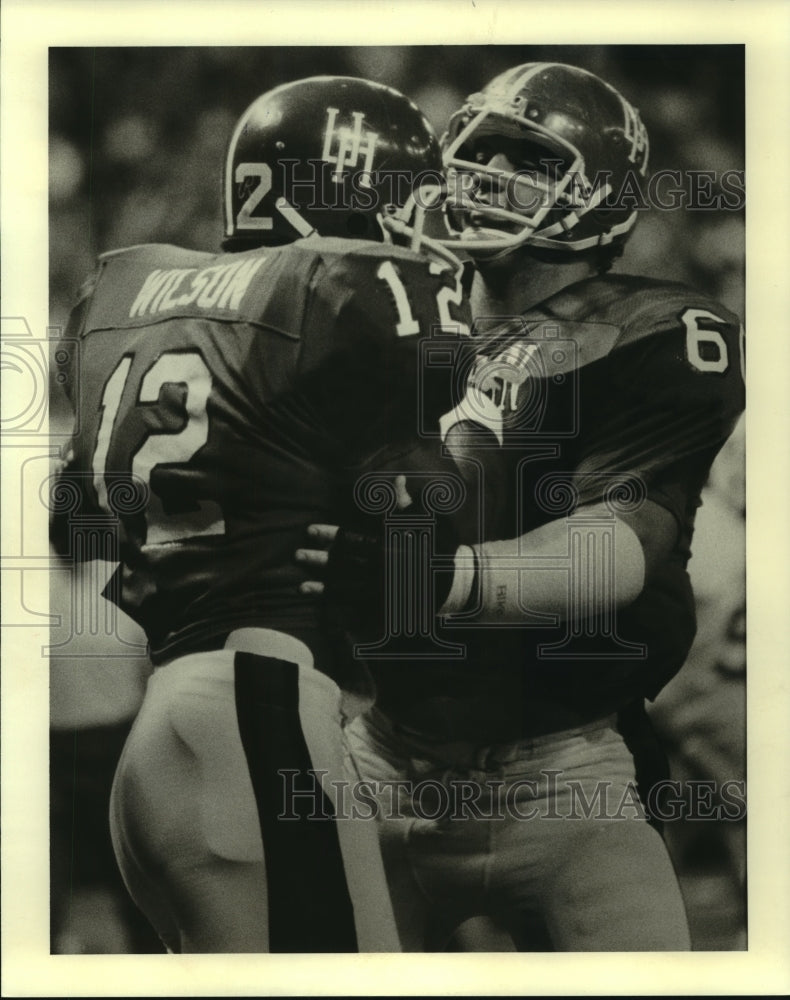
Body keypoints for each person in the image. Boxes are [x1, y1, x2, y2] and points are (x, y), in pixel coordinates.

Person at [298, 63, 745, 951]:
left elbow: (621, 544)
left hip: (564, 770)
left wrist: (451, 577)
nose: (480, 175)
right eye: (476, 152)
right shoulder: (390, 317)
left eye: (524, 160)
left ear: (599, 198)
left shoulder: (649, 331)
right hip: (381, 751)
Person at [50, 75, 474, 953]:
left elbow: (82, 514)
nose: (416, 228)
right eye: (405, 200)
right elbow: (423, 546)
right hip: (259, 720)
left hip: (164, 730)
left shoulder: (128, 294)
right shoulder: (334, 291)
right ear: (347, 190)